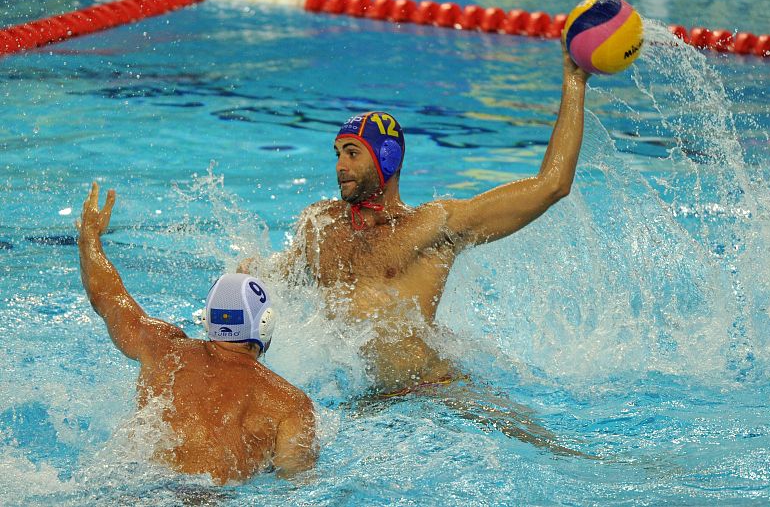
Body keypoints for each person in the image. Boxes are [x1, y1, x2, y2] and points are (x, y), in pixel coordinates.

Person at [243, 44, 589, 396]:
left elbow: (552, 185)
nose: (340, 166)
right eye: (337, 154)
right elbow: (283, 278)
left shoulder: (431, 228)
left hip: (430, 390)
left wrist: (574, 82)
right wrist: (251, 274)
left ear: (387, 158)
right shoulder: (321, 224)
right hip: (361, 396)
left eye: (352, 153)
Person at [77, 182, 318, 484]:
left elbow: (109, 300)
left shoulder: (163, 349)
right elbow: (297, 485)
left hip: (134, 488)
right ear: (266, 323)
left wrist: (89, 239)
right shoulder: (289, 404)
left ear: (207, 321)